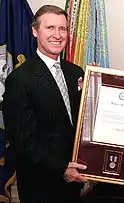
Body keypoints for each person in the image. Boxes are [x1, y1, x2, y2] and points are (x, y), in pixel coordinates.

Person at [2, 5, 87, 203]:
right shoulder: (20, 79)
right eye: (50, 28)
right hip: (40, 187)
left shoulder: (76, 72)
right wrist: (62, 168)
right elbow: (22, 141)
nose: (58, 35)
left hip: (74, 184)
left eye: (63, 29)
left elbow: (80, 124)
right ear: (35, 31)